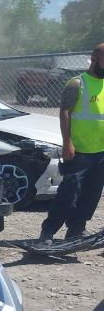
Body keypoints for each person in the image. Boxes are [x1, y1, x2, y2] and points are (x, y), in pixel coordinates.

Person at [39, 43, 104, 243]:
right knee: (69, 194)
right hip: (79, 152)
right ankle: (48, 232)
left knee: (92, 195)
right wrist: (67, 142)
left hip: (101, 151)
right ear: (95, 59)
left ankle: (76, 229)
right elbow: (64, 112)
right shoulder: (77, 83)